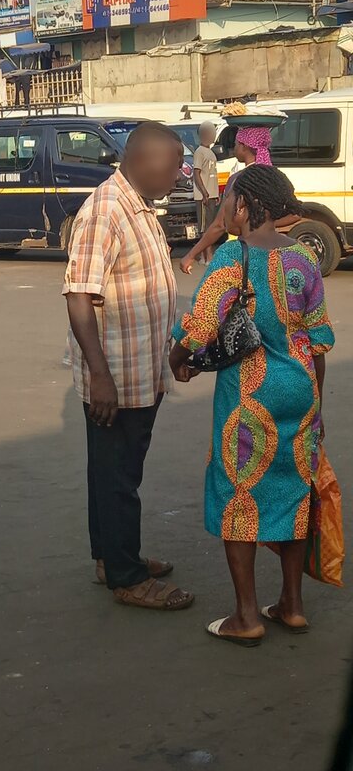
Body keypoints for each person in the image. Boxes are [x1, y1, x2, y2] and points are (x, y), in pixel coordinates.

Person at [169, 164, 334, 646]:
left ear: (243, 205)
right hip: (301, 389)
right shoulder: (304, 257)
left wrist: (178, 361)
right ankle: (292, 605)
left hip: (249, 395)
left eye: (228, 200)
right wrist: (316, 406)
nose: (225, 208)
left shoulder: (231, 256)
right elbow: (318, 340)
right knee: (294, 491)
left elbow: (200, 327)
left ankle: (246, 616)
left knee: (238, 493)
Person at [64, 122, 194, 612]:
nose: (178, 175)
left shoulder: (137, 204)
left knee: (113, 472)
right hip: (116, 377)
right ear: (143, 159)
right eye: (174, 165)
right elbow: (79, 295)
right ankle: (127, 577)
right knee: (118, 477)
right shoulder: (106, 210)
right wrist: (100, 376)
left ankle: (113, 557)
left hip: (141, 369)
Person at [180, 125, 273, 274]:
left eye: (236, 144)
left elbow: (220, 224)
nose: (234, 148)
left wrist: (191, 255)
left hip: (247, 254)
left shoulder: (239, 179)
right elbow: (294, 214)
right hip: (272, 253)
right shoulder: (274, 176)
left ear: (244, 147)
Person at [192, 121, 220, 263]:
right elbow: (196, 173)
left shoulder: (211, 152)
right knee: (205, 228)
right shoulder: (199, 152)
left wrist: (216, 193)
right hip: (204, 196)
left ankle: (206, 256)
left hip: (212, 195)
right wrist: (204, 192)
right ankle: (207, 257)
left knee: (210, 226)